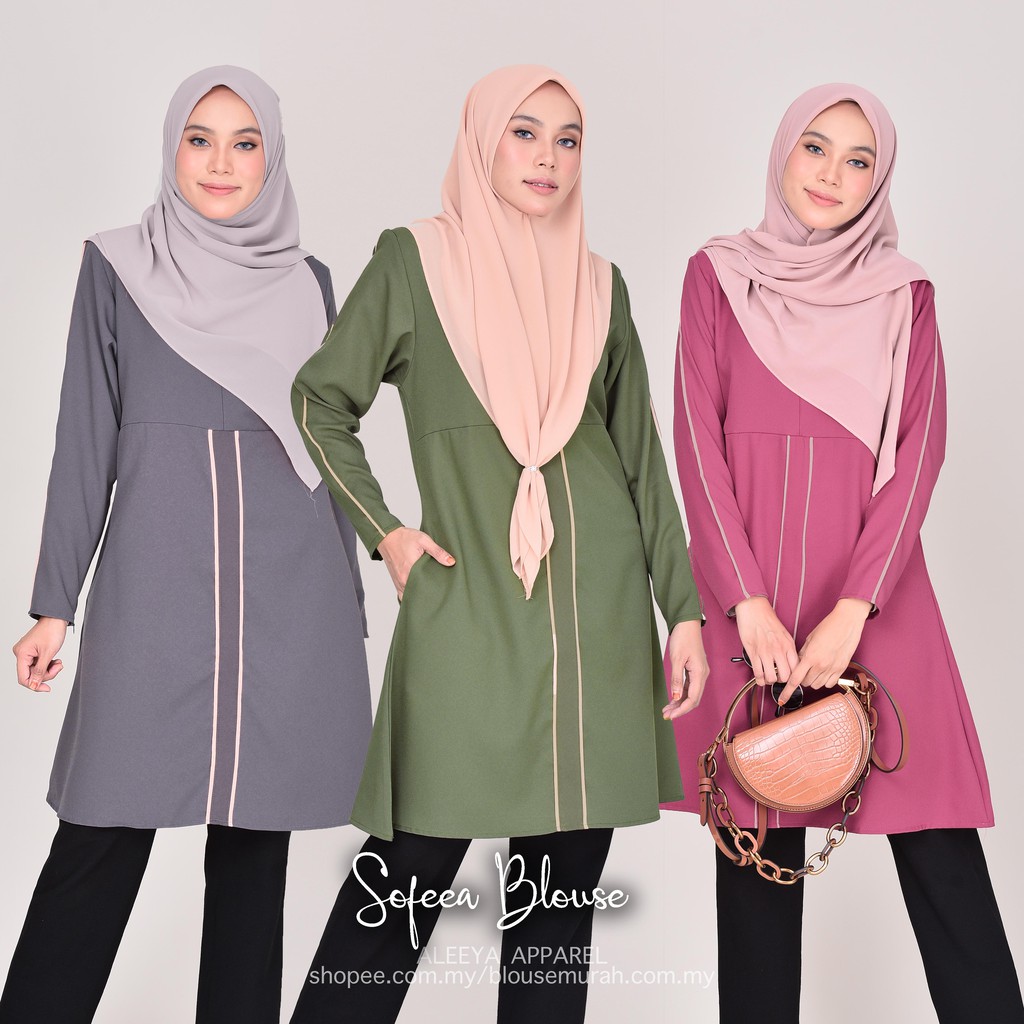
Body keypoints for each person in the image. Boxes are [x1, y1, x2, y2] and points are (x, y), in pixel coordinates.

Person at [287, 64, 709, 1023]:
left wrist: (681, 610)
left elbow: (640, 459)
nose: (548, 158)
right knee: (403, 881)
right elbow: (319, 400)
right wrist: (387, 534)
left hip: (597, 621)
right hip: (470, 605)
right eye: (525, 132)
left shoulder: (600, 285)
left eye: (568, 140)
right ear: (482, 139)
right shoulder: (414, 260)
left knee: (556, 917)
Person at [1, 66, 371, 1024]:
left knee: (253, 859)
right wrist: (53, 605)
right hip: (155, 597)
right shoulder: (117, 266)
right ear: (172, 149)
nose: (220, 162)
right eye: (199, 139)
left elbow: (328, 448)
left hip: (289, 601)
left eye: (246, 143)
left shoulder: (310, 283)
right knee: (100, 835)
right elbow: (85, 438)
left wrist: (350, 603)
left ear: (272, 158)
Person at [664, 83, 1023, 1022]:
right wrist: (744, 601)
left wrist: (854, 609)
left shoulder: (906, 294)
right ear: (783, 153)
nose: (831, 174)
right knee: (756, 858)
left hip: (875, 598)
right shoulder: (718, 275)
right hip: (750, 607)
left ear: (879, 179)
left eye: (858, 159)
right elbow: (696, 443)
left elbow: (919, 454)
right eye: (815, 148)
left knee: (940, 852)